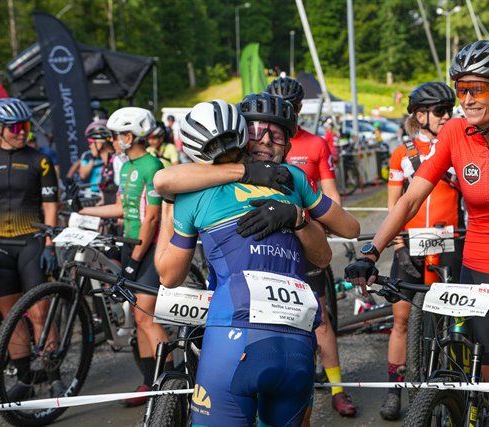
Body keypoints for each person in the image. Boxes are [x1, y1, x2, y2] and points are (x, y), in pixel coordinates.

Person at [345, 40, 489, 426]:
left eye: (478, 89)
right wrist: (370, 253)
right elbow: (408, 200)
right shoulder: (455, 133)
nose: (467, 100)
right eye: (462, 90)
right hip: (480, 278)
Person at [154, 96, 359, 427]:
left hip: (232, 344)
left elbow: (169, 275)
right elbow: (336, 244)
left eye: (274, 135)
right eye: (258, 132)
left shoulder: (191, 192)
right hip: (296, 349)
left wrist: (168, 207)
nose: (265, 141)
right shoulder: (289, 177)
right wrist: (298, 217)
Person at [266, 76, 356, 417]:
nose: (286, 110)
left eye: (292, 105)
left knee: (320, 319)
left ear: (301, 108)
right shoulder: (257, 141)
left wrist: (328, 223)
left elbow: (331, 192)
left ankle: (337, 389)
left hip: (307, 236)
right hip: (270, 240)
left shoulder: (316, 144)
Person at [380, 81, 464, 421]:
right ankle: (393, 390)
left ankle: (460, 386)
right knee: (400, 320)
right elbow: (394, 203)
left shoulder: (459, 146)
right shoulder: (402, 153)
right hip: (411, 244)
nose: (448, 116)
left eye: (449, 110)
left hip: (450, 241)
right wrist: (396, 241)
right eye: (441, 111)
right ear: (420, 115)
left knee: (459, 319)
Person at [79, 107, 169, 407]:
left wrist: (133, 261)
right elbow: (122, 208)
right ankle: (149, 383)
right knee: (138, 319)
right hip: (132, 244)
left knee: (145, 316)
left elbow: (152, 218)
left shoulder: (151, 166)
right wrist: (83, 211)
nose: (112, 141)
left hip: (150, 247)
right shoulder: (126, 166)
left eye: (116, 136)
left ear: (129, 137)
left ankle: (169, 386)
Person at [0, 97, 60, 399]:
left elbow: (51, 204)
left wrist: (49, 243)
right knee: (10, 315)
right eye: (16, 127)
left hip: (32, 243)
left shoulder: (41, 161)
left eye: (25, 126)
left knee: (39, 312)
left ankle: (53, 375)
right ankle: (25, 378)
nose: (23, 132)